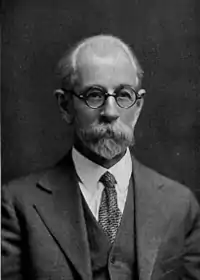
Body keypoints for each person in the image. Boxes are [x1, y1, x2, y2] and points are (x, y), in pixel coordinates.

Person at [2, 34, 200, 280]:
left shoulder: (181, 205)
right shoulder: (17, 204)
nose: (110, 112)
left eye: (124, 95)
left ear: (137, 108)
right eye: (94, 95)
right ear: (65, 106)